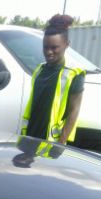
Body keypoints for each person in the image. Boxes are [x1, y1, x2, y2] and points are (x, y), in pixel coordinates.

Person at [21, 14, 85, 144]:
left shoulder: (74, 73)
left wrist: (61, 143)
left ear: (66, 45)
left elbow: (74, 110)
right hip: (31, 136)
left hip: (52, 141)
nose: (49, 52)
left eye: (54, 47)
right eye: (46, 47)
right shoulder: (39, 70)